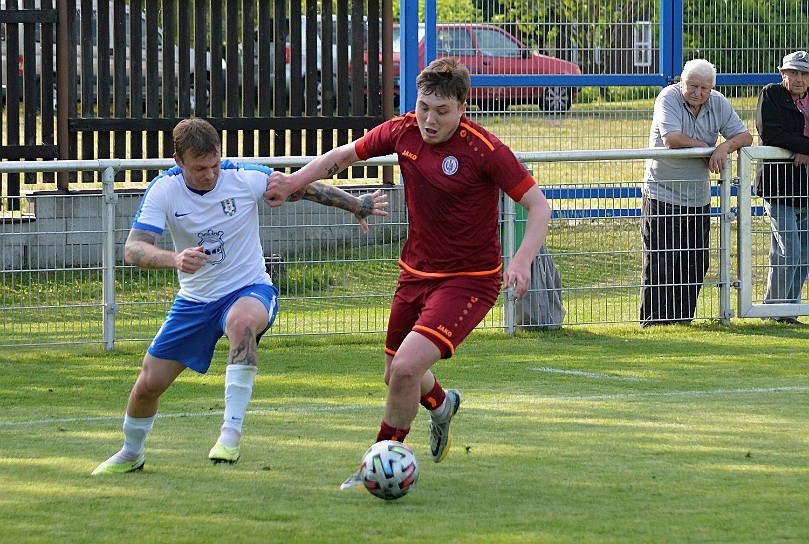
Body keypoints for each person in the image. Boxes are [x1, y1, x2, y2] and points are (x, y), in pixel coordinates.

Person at [264, 57, 552, 489]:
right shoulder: (403, 131)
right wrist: (290, 183)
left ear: (462, 107)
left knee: (403, 371)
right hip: (415, 272)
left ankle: (375, 467)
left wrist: (522, 260)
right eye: (423, 107)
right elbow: (343, 155)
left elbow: (538, 206)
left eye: (441, 111)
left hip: (470, 280)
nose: (429, 119)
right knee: (396, 375)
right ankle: (441, 404)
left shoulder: (485, 150)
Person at [91, 118, 388, 474]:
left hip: (249, 289)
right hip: (195, 301)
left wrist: (355, 204)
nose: (210, 175)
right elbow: (133, 249)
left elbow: (301, 187)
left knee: (242, 321)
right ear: (178, 161)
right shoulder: (163, 190)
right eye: (200, 168)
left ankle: (229, 435)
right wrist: (175, 259)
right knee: (148, 384)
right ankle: (130, 453)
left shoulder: (244, 176)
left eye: (215, 164)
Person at [640, 59, 752, 327]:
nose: (698, 93)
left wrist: (723, 148)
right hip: (661, 192)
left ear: (712, 87)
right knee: (660, 260)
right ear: (681, 81)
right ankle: (653, 322)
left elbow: (745, 137)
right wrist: (705, 147)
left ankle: (682, 321)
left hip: (697, 197)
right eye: (692, 85)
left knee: (694, 261)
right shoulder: (667, 97)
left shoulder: (718, 102)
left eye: (704, 87)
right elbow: (672, 139)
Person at [755, 51, 809, 325]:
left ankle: (787, 310)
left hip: (806, 187)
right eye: (793, 73)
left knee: (804, 255)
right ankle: (773, 310)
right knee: (790, 251)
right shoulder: (772, 94)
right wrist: (804, 147)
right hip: (779, 187)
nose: (799, 79)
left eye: (804, 74)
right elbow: (771, 134)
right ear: (783, 73)